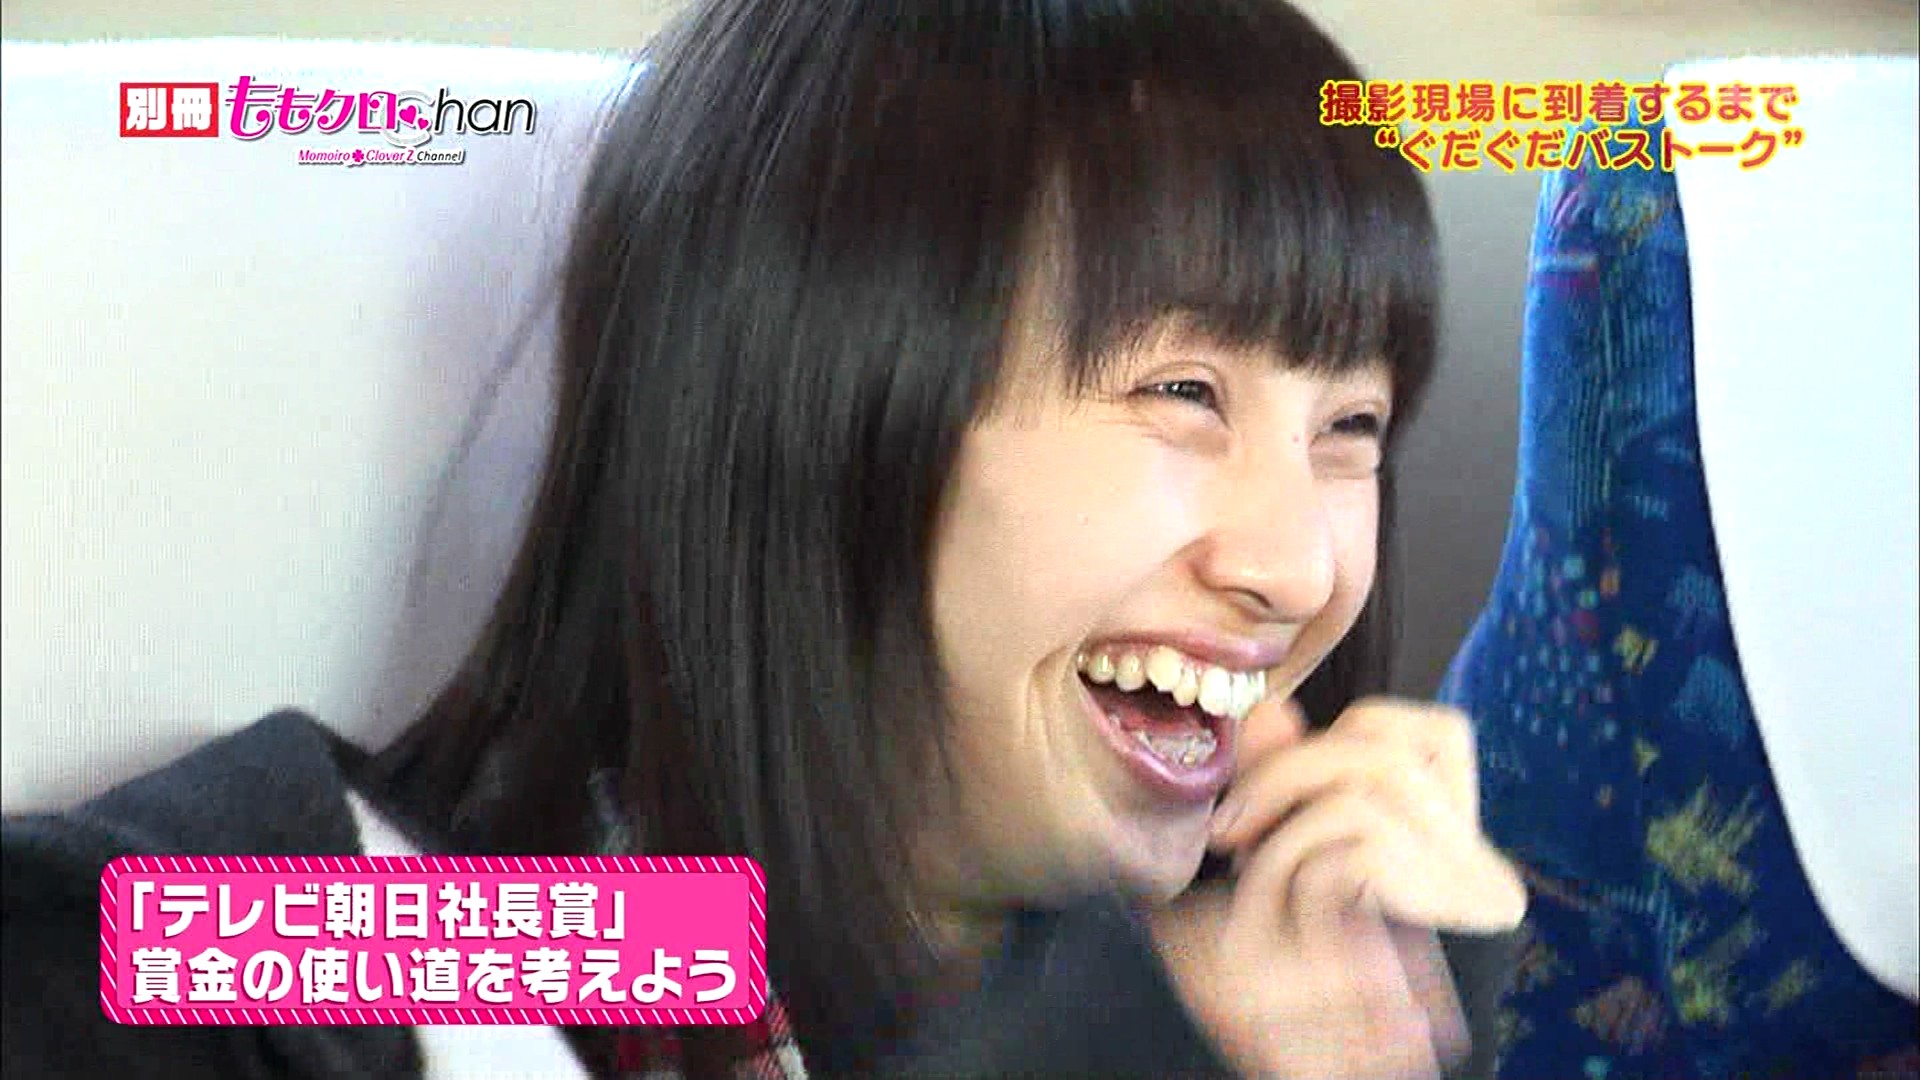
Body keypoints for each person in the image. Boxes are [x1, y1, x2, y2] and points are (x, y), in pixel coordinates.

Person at [2, 1, 1528, 1077]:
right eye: (1182, 393)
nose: (1298, 570)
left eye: (1352, 426)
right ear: (818, 410)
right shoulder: (298, 942)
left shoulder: (1271, 984)